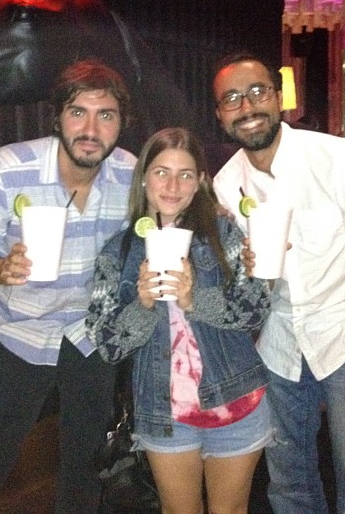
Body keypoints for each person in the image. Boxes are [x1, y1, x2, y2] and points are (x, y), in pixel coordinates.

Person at [211, 51, 345, 513]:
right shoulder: (227, 185)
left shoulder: (337, 159)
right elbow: (242, 285)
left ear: (279, 98)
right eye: (232, 99)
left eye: (257, 92)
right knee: (288, 478)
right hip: (278, 343)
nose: (247, 107)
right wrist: (246, 267)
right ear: (219, 114)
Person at [0, 59, 137, 513]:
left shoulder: (131, 174)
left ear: (121, 124)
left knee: (86, 466)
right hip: (22, 332)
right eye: (78, 112)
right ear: (57, 118)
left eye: (106, 115)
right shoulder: (9, 170)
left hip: (90, 336)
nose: (90, 129)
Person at [86, 127, 274, 514]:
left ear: (200, 181)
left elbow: (256, 309)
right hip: (163, 410)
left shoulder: (225, 234)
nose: (173, 186)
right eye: (161, 172)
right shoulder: (118, 252)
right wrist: (142, 305)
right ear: (143, 178)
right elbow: (106, 344)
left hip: (236, 397)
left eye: (185, 174)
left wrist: (194, 299)